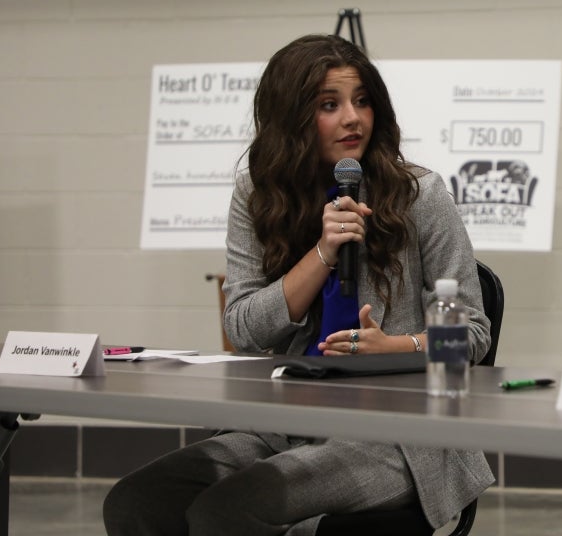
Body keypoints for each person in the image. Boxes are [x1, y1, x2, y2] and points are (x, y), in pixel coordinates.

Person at [103, 34, 494, 535]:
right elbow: (243, 327)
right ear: (290, 119)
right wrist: (322, 253)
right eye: (329, 105)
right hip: (284, 425)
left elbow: (474, 336)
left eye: (362, 101)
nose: (353, 118)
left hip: (400, 437)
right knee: (136, 501)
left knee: (228, 509)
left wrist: (394, 347)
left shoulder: (420, 195)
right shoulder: (258, 194)